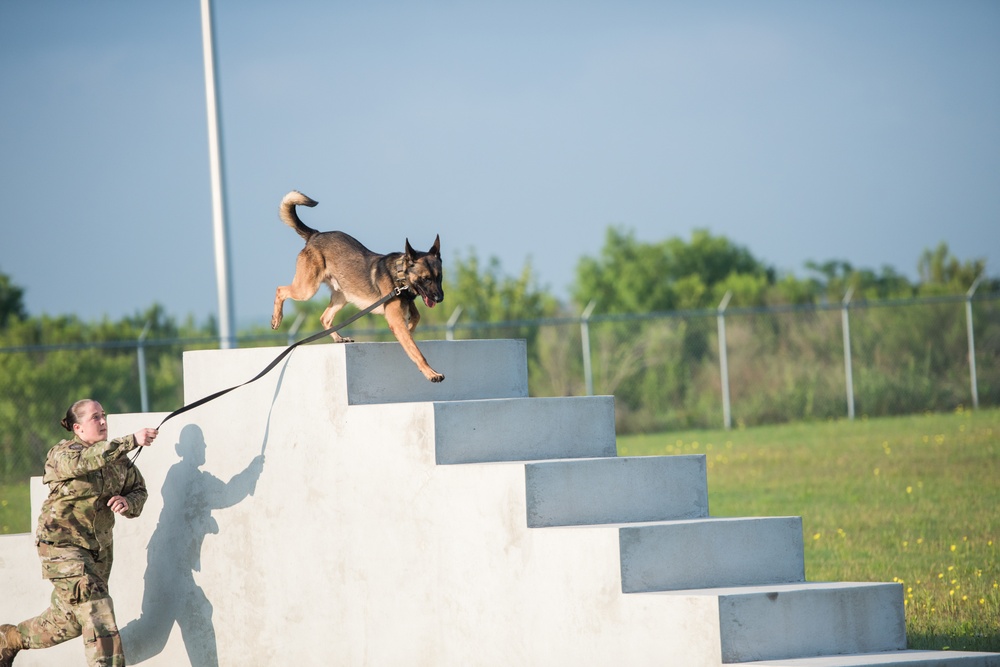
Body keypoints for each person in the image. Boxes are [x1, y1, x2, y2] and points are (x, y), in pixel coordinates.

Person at [0, 399, 157, 667]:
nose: (104, 421)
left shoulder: (118, 462)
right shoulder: (64, 454)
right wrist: (131, 440)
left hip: (98, 551)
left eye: (104, 416)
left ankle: (9, 639)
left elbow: (139, 490)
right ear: (78, 427)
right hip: (61, 548)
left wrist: (128, 502)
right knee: (99, 609)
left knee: (70, 621)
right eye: (96, 417)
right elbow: (88, 461)